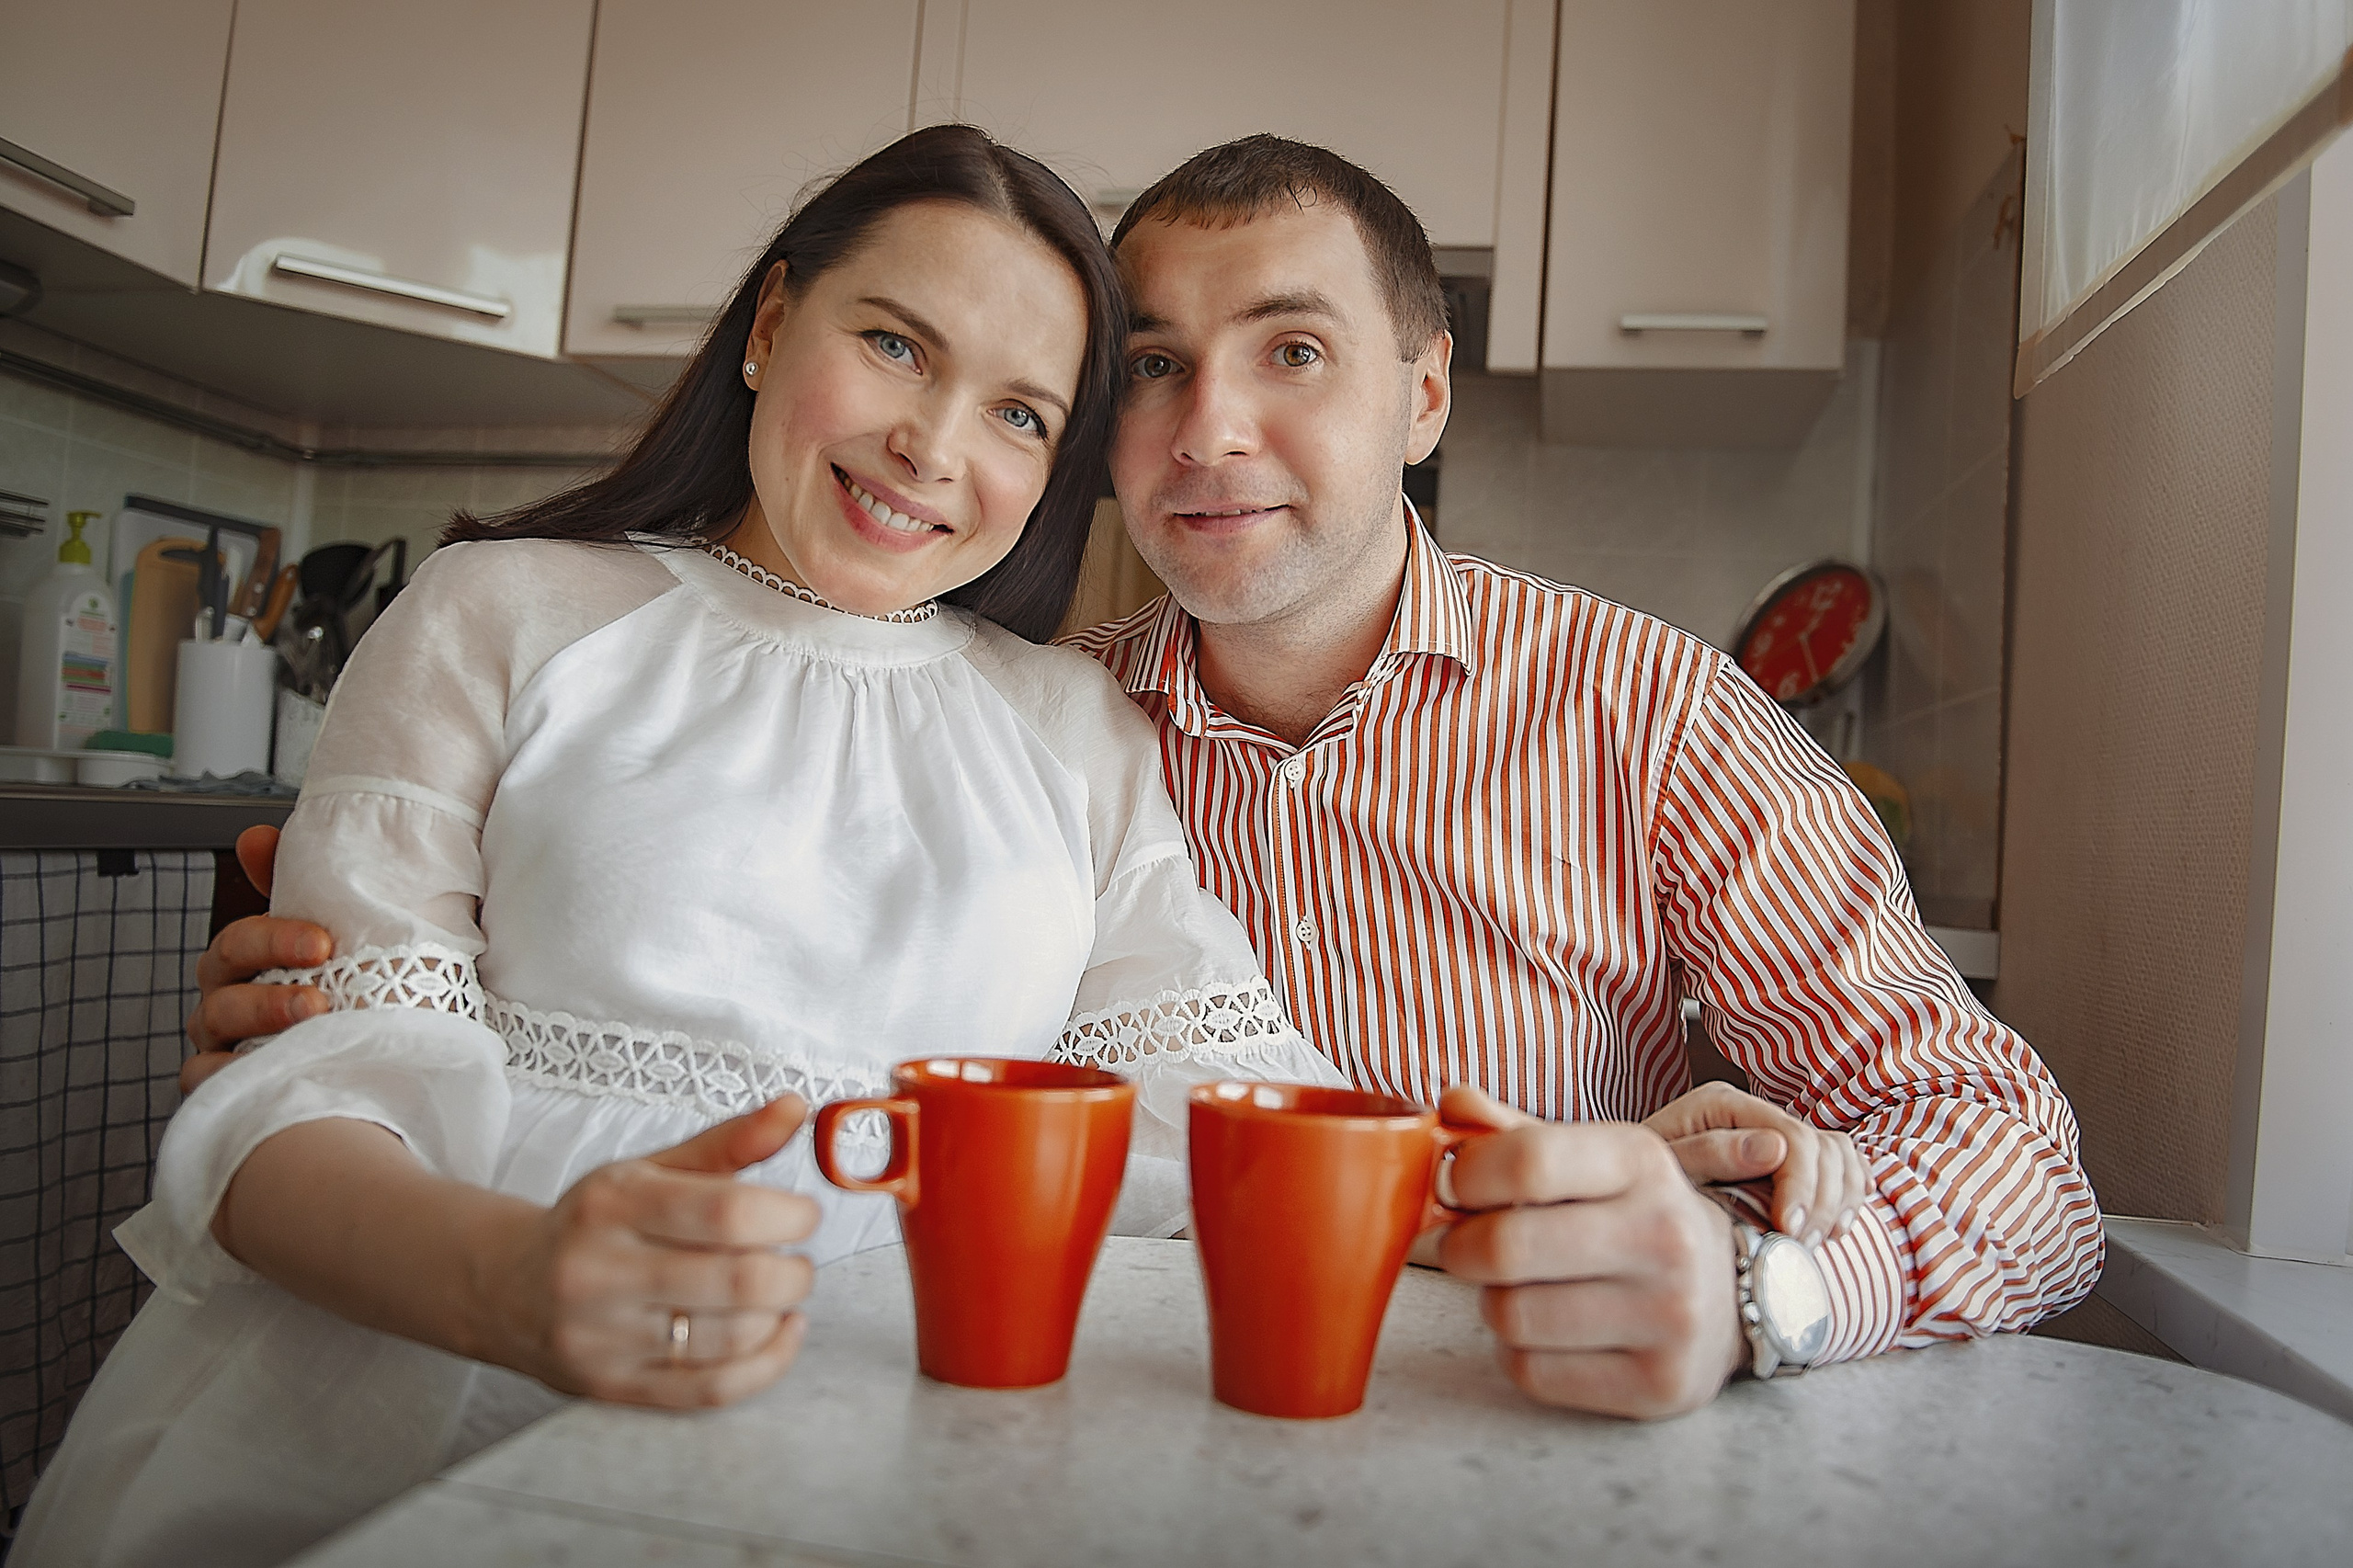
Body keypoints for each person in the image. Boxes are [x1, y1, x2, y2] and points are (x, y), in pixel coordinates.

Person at [190, 136, 2104, 1424]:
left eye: (1293, 352)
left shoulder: (1643, 715)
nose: (1210, 434)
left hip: (1467, 1432)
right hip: (1030, 1419)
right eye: (1150, 370)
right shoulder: (1061, 700)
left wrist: (1740, 1286)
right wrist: (344, 1047)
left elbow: (2009, 1153)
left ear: (1421, 396)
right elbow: (366, 1054)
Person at [16, 126, 1341, 1568]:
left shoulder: (1075, 727)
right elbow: (299, 1104)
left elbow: (1239, 1109)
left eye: (1022, 415)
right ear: (772, 325)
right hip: (423, 1386)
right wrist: (521, 1285)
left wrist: (1492, 1200)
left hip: (892, 1445)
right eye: (897, 345)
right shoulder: (498, 612)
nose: (935, 444)